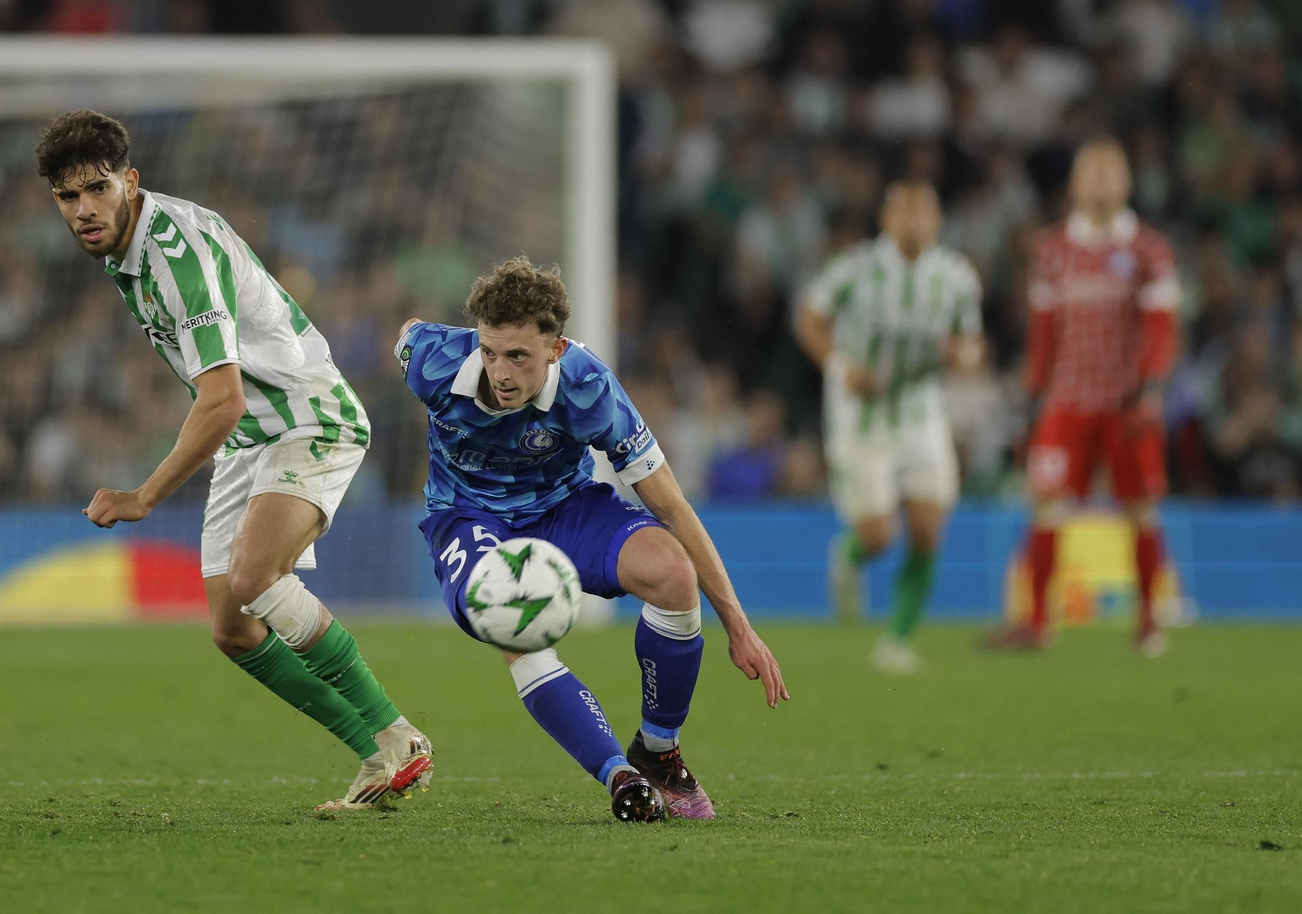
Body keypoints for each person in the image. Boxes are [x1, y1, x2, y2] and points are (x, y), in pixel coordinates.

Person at [33, 109, 431, 810]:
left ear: (130, 181)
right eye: (68, 197)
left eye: (97, 188)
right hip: (255, 440)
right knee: (235, 630)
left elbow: (223, 400)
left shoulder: (172, 252)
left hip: (310, 418)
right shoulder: (124, 252)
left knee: (254, 574)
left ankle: (402, 738)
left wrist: (143, 496)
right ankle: (374, 758)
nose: (85, 209)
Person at [397, 257, 790, 823]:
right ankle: (618, 775)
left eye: (518, 356)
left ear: (555, 351)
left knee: (674, 575)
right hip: (468, 516)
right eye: (489, 351)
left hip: (566, 509)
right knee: (512, 615)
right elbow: (405, 337)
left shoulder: (588, 387)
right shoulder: (434, 361)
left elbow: (672, 505)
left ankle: (656, 752)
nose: (499, 371)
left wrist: (738, 624)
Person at [986, 139, 1180, 656]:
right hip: (1066, 402)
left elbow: (1161, 329)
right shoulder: (1052, 252)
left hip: (1126, 404)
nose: (1099, 180)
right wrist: (1031, 401)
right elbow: (1043, 336)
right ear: (1073, 183)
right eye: (1089, 171)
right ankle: (1037, 623)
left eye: (1109, 171)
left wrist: (1152, 389)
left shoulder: (1149, 250)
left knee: (1140, 507)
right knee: (1045, 505)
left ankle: (1148, 621)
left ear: (1127, 182)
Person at [794, 181, 985, 673]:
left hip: (920, 414)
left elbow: (971, 341)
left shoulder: (956, 276)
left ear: (938, 220)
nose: (915, 221)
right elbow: (809, 317)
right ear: (886, 218)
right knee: (880, 536)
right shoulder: (855, 269)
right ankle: (850, 553)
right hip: (861, 418)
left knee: (927, 528)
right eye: (905, 212)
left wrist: (963, 355)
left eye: (925, 212)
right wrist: (841, 367)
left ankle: (896, 639)